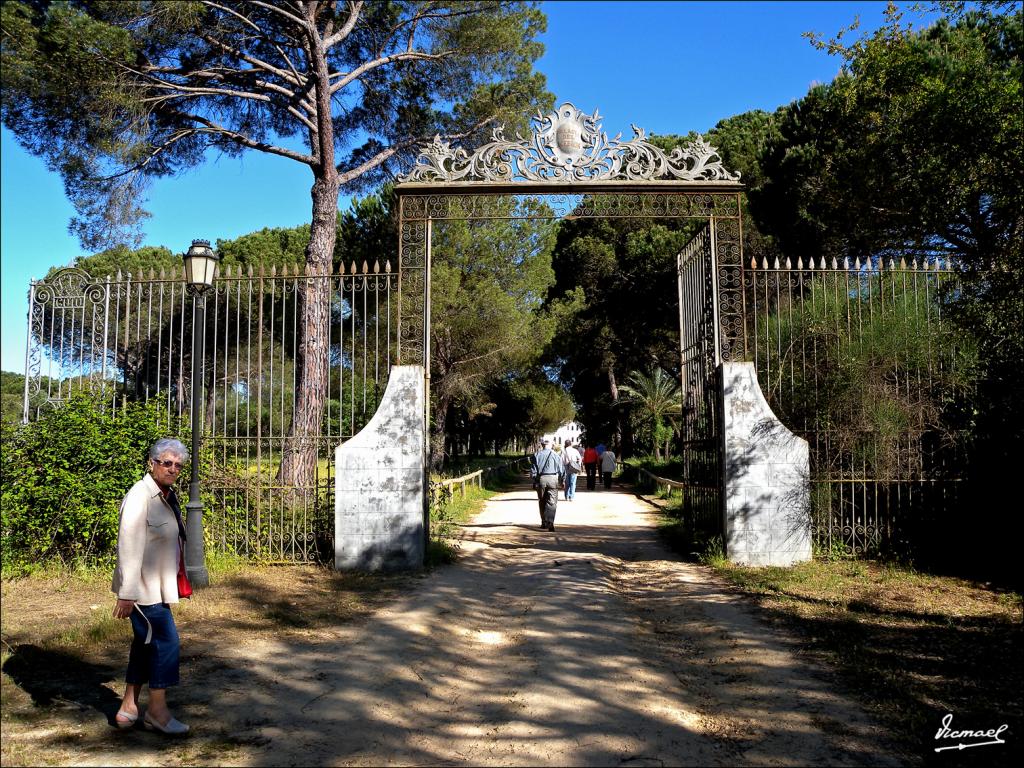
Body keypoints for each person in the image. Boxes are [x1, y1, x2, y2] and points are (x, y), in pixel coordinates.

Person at [111, 438, 191, 735]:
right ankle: (157, 711)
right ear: (152, 463)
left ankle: (128, 706)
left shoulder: (164, 495)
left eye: (178, 465)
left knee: (145, 645)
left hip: (157, 586)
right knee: (166, 642)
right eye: (167, 463)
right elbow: (128, 545)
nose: (172, 469)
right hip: (142, 590)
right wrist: (127, 593)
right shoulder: (140, 496)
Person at [530, 436, 564, 531]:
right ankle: (551, 522)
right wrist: (562, 480)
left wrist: (535, 480)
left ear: (541, 444)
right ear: (551, 444)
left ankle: (544, 522)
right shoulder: (556, 455)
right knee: (552, 502)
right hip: (553, 479)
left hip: (541, 479)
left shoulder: (536, 455)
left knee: (542, 501)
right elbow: (561, 469)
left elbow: (533, 471)